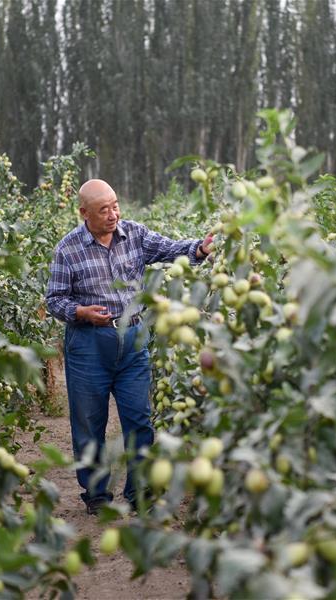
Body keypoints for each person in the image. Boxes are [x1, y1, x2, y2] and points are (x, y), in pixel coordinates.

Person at [45, 179, 213, 514]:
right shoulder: (68, 249)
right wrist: (80, 312)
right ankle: (96, 495)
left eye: (115, 205)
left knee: (139, 419)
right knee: (90, 423)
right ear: (83, 213)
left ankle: (139, 492)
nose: (113, 214)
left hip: (133, 340)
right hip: (89, 343)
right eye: (103, 209)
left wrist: (201, 249)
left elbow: (171, 249)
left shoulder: (134, 235)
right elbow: (53, 300)